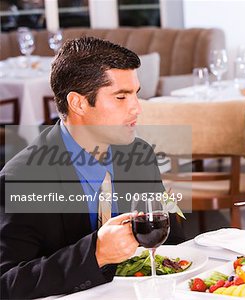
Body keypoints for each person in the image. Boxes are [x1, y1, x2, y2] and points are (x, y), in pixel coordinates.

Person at [0, 37, 185, 299]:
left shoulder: (139, 153)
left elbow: (176, 246)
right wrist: (95, 253)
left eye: (136, 94)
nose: (137, 108)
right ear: (79, 103)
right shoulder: (24, 177)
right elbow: (8, 283)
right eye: (121, 97)